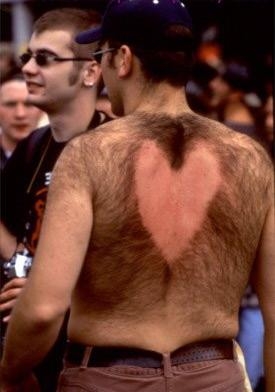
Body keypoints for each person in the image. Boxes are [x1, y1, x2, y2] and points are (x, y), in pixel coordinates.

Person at [1, 1, 274, 391]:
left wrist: (10, 373)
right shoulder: (251, 159)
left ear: (123, 59)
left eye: (103, 57)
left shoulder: (89, 155)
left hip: (107, 378)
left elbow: (44, 308)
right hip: (216, 377)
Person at [0, 7, 110, 392]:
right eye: (27, 57)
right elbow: (14, 228)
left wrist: (44, 287)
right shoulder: (31, 148)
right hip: (30, 353)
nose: (29, 68)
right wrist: (21, 268)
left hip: (92, 359)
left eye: (44, 59)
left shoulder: (118, 148)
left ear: (90, 72)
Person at [0, 73, 43, 169]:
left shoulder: (58, 157)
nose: (20, 114)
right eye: (10, 104)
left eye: (29, 105)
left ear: (41, 110)